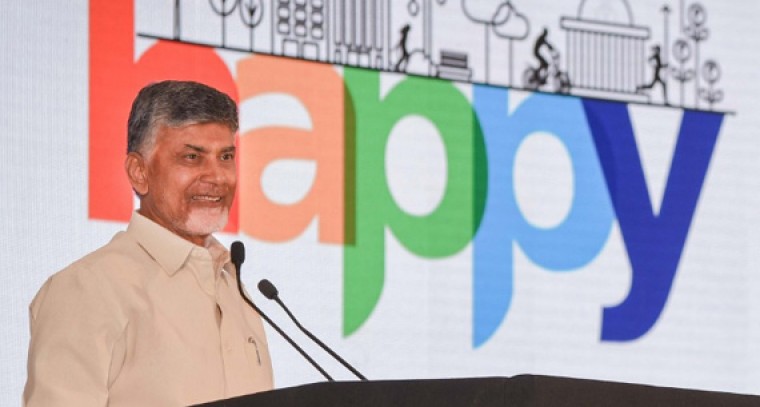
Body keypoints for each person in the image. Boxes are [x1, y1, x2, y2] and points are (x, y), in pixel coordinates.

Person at [23, 80, 274, 406]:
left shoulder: (237, 292)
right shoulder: (87, 289)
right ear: (139, 172)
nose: (217, 176)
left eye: (225, 156)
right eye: (192, 157)